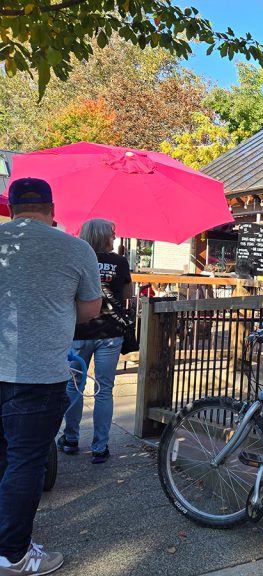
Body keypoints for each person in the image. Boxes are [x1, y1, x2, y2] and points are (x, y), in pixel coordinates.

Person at [0, 178, 102, 575]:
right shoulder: (77, 248)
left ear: (10, 209)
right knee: (25, 463)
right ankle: (13, 554)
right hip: (38, 373)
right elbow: (90, 311)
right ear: (51, 208)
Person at [58, 219, 133, 465]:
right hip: (110, 332)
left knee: (74, 386)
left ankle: (70, 439)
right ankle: (100, 447)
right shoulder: (120, 262)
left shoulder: (76, 256)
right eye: (112, 233)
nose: (115, 236)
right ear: (105, 236)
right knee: (104, 389)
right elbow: (127, 296)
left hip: (79, 330)